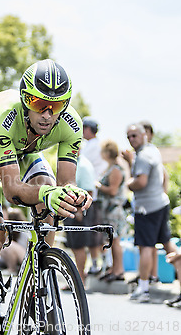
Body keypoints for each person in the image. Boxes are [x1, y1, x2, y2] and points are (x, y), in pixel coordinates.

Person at [0, 59, 91, 334]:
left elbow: (65, 183)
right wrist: (47, 193)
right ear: (25, 99)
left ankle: (37, 278)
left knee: (53, 203)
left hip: (24, 155)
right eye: (39, 104)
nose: (48, 115)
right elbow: (12, 190)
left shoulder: (72, 124)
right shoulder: (2, 113)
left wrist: (73, 194)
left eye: (57, 106)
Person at [124, 123, 177, 303]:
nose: (131, 140)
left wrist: (128, 183)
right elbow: (164, 175)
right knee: (168, 244)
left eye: (134, 136)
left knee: (145, 247)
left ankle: (144, 288)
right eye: (128, 136)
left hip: (147, 208)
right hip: (160, 203)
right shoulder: (152, 150)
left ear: (144, 135)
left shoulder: (143, 156)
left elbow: (141, 182)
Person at [96, 140, 127, 282]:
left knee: (115, 241)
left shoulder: (115, 169)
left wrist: (98, 186)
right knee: (111, 240)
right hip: (108, 211)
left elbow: (113, 191)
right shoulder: (111, 168)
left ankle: (119, 270)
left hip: (113, 210)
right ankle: (113, 268)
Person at [80, 117, 108, 275]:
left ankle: (97, 264)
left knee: (92, 234)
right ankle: (100, 263)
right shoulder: (97, 145)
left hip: (91, 196)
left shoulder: (90, 147)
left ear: (88, 129)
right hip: (97, 195)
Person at [63, 153, 96, 283]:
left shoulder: (83, 165)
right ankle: (78, 278)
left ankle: (80, 279)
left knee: (79, 246)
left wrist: (79, 211)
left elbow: (89, 190)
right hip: (71, 209)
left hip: (79, 210)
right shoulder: (71, 163)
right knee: (74, 246)